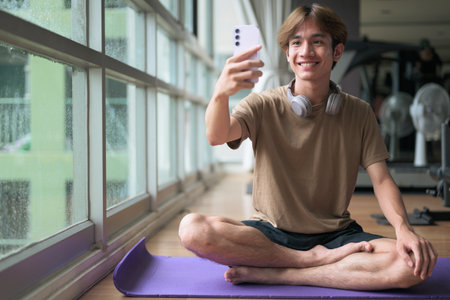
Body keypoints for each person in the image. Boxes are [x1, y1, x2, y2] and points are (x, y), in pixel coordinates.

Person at [178, 3, 437, 290]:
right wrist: (220, 93)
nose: (306, 52)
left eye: (317, 42)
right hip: (270, 233)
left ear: (336, 51)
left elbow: (382, 179)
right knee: (192, 229)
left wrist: (404, 230)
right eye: (296, 43)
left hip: (336, 236)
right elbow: (217, 135)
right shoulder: (263, 104)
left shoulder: (360, 113)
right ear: (287, 53)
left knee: (413, 263)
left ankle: (283, 273)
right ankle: (307, 261)